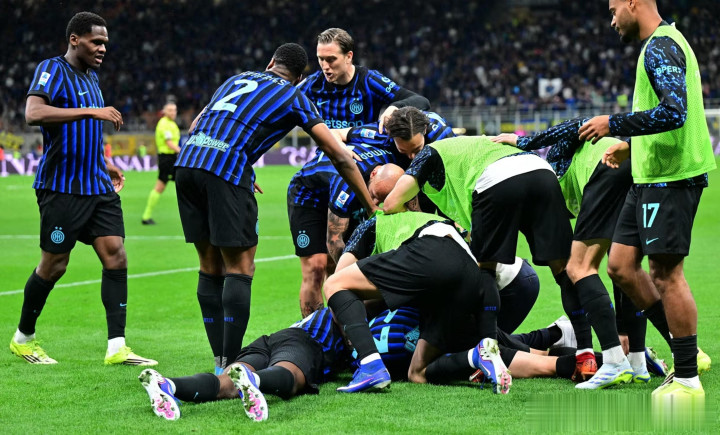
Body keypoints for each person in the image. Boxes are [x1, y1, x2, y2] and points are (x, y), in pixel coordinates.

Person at [174, 43, 376, 375]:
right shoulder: (295, 95)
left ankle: (219, 362)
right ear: (299, 77)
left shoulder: (236, 79)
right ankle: (230, 366)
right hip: (225, 171)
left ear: (270, 62)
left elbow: (197, 124)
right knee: (240, 268)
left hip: (187, 164)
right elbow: (339, 155)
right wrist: (370, 205)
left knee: (209, 267)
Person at [381, 136, 614, 383]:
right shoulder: (470, 146)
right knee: (566, 271)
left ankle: (489, 351)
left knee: (486, 271)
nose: (411, 157)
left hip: (496, 181)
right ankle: (586, 353)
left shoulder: (429, 154)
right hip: (541, 172)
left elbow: (390, 204)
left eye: (412, 151)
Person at [579, 0, 716, 403]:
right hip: (648, 175)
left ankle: (687, 377)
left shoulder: (660, 46)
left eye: (613, 9)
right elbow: (663, 115)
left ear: (633, 3)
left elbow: (674, 112)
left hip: (672, 177)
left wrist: (614, 123)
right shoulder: (658, 45)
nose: (612, 20)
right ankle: (683, 349)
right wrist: (629, 145)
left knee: (666, 274)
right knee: (621, 265)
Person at [9, 12, 156, 366]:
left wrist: (103, 163)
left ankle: (117, 346)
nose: (102, 48)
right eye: (96, 41)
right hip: (62, 188)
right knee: (54, 264)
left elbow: (83, 132)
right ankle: (23, 338)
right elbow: (34, 113)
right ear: (75, 39)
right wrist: (91, 111)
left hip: (97, 185)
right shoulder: (52, 69)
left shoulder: (92, 77)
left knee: (116, 255)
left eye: (105, 43)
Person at [324, 165, 509, 394]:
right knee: (417, 372)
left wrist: (349, 335)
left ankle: (370, 366)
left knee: (333, 284)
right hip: (472, 276)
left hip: (432, 255)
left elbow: (340, 279)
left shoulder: (375, 222)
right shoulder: (434, 218)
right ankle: (477, 355)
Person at [491, 118, 641, 389]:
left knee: (576, 269)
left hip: (606, 169)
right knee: (624, 269)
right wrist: (622, 329)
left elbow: (575, 125)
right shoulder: (558, 182)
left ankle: (609, 359)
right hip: (635, 171)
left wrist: (523, 141)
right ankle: (638, 360)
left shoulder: (554, 167)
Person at [137, 306, 419, 422]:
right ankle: (255, 381)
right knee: (290, 377)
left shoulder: (341, 300)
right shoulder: (354, 308)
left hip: (271, 339)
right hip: (305, 343)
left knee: (226, 384)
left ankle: (167, 385)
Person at [287, 143, 396, 317]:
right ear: (373, 174)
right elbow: (334, 240)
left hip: (344, 193)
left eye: (381, 199)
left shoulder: (394, 161)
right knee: (316, 268)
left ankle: (341, 322)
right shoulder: (346, 185)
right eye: (374, 195)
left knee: (338, 264)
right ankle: (315, 328)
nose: (375, 203)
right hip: (308, 197)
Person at [297, 28, 430, 132]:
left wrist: (395, 107)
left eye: (331, 59)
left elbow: (421, 101)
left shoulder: (369, 81)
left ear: (348, 56)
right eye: (321, 59)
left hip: (366, 149)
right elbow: (286, 102)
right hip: (330, 152)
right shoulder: (312, 84)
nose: (325, 66)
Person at [141, 102, 181, 225]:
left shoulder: (172, 123)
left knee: (182, 183)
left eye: (174, 110)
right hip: (167, 159)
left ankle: (146, 216)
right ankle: (146, 216)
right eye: (170, 110)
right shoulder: (164, 124)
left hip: (171, 158)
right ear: (164, 111)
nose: (173, 112)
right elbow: (169, 143)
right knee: (161, 186)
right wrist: (183, 151)